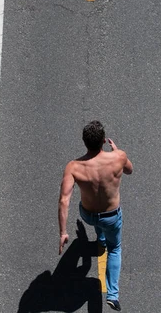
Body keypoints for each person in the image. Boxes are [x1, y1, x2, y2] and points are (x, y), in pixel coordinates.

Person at [58, 120, 133, 311]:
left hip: (89, 215)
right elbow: (129, 170)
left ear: (85, 142)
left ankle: (99, 237)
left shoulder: (74, 167)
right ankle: (113, 295)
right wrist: (116, 151)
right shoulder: (118, 157)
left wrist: (63, 232)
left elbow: (64, 200)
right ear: (103, 141)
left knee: (98, 224)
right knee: (114, 248)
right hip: (112, 216)